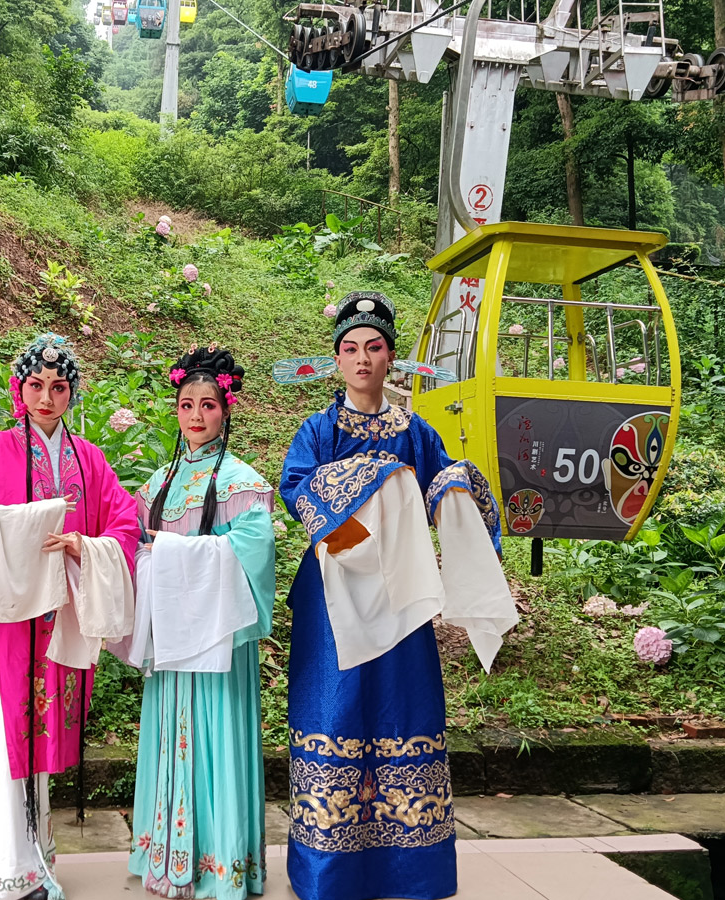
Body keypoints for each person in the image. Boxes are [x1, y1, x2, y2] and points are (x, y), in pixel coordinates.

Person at [279, 291, 517, 900]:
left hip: (402, 594)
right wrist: (362, 515)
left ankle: (410, 868)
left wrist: (456, 488)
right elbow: (297, 488)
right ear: (336, 359)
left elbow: (441, 483)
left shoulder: (416, 431)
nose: (362, 359)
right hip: (333, 589)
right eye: (350, 348)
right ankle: (331, 870)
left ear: (391, 358)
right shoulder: (318, 429)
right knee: (334, 709)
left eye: (374, 347)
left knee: (401, 708)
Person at [0, 333, 139, 900]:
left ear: (71, 394)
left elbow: (124, 525)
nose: (46, 397)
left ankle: (27, 853)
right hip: (6, 619)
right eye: (35, 385)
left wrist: (85, 546)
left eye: (58, 387)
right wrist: (15, 527)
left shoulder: (89, 459)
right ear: (20, 390)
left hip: (60, 616)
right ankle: (2, 860)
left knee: (36, 736)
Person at [115, 344, 276, 899]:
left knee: (216, 736)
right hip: (170, 639)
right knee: (169, 736)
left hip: (217, 638)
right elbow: (135, 546)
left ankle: (220, 864)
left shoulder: (241, 481)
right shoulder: (157, 484)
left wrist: (171, 550)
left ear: (225, 410)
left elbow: (253, 552)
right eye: (187, 405)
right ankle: (165, 852)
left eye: (208, 405)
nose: (196, 415)